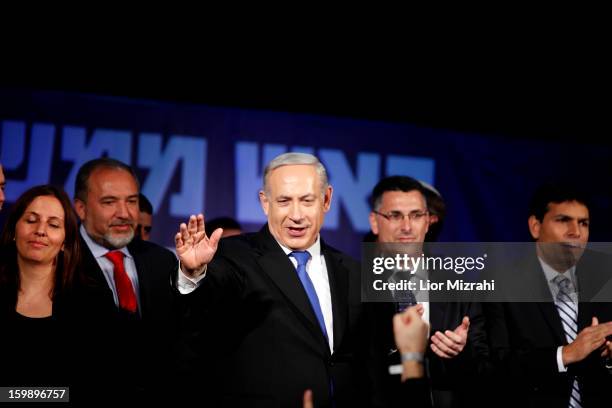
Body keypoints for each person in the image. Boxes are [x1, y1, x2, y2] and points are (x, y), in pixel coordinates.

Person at [175, 153, 372, 407]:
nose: (297, 215)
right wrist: (193, 274)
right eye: (284, 201)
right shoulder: (235, 256)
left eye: (307, 200)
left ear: (326, 199)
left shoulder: (352, 270)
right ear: (265, 202)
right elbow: (201, 310)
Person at [484, 182, 612, 407]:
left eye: (584, 223)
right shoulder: (502, 286)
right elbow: (492, 367)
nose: (576, 232)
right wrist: (564, 355)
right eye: (563, 220)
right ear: (535, 226)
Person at [366, 175, 488, 408]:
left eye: (416, 215)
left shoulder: (460, 287)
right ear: (374, 222)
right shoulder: (351, 284)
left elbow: (484, 370)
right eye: (395, 215)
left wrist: (459, 353)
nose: (407, 227)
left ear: (428, 221)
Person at [72, 158, 180, 400]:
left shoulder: (162, 261)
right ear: (81, 208)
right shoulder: (60, 262)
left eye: (131, 201)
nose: (124, 213)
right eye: (109, 202)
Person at [0, 185, 110, 395]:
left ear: (64, 242)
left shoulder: (92, 301)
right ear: (14, 230)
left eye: (53, 225)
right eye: (31, 220)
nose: (40, 231)